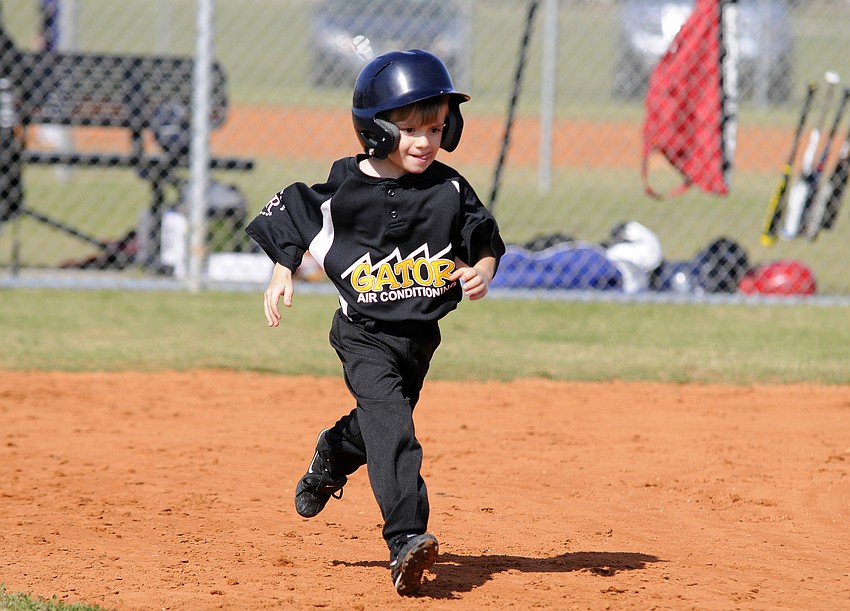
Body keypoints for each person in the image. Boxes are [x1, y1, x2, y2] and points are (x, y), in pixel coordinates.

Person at [245, 49, 505, 596]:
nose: (425, 141)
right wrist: (282, 270)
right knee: (394, 425)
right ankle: (405, 537)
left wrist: (481, 271)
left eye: (435, 128)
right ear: (376, 130)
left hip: (419, 338)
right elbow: (292, 211)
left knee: (380, 423)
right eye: (409, 130)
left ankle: (334, 452)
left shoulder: (449, 189)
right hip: (364, 334)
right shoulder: (347, 188)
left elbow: (483, 238)